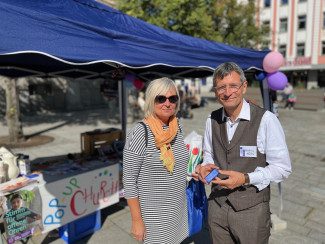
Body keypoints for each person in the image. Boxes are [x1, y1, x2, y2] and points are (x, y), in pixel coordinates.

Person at [192, 62, 291, 244]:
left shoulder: (266, 120)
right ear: (215, 90)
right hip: (218, 206)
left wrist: (246, 178)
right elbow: (209, 154)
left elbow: (282, 168)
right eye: (221, 87)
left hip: (251, 211)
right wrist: (206, 167)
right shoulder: (211, 119)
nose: (227, 92)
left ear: (244, 87)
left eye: (233, 86)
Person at [123, 77, 189, 243]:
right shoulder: (140, 132)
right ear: (151, 100)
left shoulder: (177, 126)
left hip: (178, 211)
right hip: (154, 218)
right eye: (161, 98)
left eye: (172, 99)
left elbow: (180, 163)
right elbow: (129, 180)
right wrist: (137, 221)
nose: (167, 103)